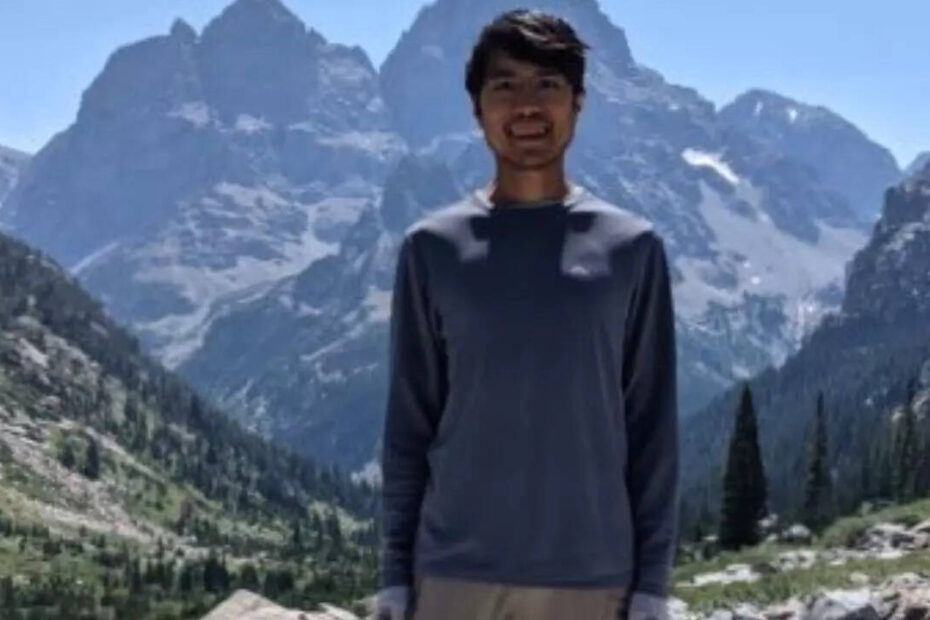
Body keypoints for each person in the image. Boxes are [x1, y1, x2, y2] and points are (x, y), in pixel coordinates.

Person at [375, 8, 679, 620]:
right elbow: (408, 427)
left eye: (548, 84)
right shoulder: (431, 248)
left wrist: (652, 584)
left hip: (590, 579)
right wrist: (394, 576)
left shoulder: (633, 248)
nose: (527, 106)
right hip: (451, 576)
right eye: (505, 85)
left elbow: (653, 429)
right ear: (477, 108)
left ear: (578, 102)